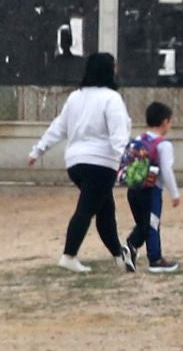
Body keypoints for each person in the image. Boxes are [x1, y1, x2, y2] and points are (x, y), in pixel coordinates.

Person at [29, 52, 134, 274]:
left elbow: (59, 126)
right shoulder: (111, 98)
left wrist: (38, 150)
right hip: (101, 163)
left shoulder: (76, 97)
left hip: (76, 163)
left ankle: (119, 255)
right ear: (109, 70)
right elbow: (118, 134)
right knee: (87, 209)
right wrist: (126, 160)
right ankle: (69, 255)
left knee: (105, 209)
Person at [123, 101, 182, 273]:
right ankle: (155, 259)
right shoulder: (164, 145)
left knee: (143, 224)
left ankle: (130, 247)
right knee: (152, 224)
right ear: (165, 122)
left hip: (133, 190)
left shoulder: (139, 140)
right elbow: (166, 171)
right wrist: (174, 193)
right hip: (151, 190)